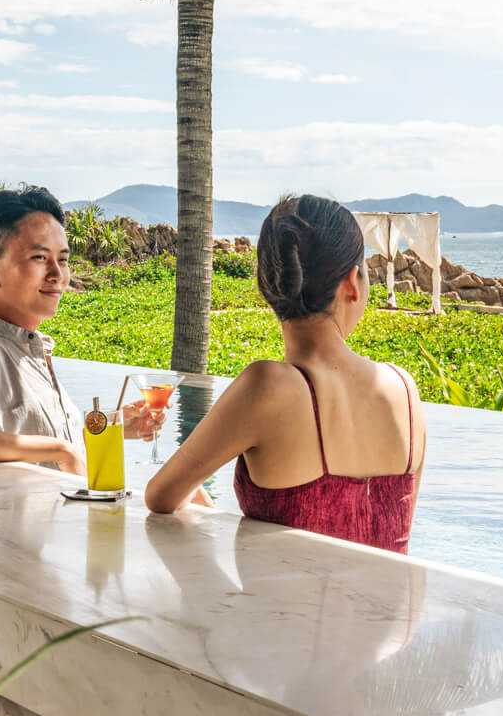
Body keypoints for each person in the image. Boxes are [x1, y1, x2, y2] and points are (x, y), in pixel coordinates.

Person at [144, 194, 424, 553]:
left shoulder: (266, 388)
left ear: (269, 284)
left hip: (277, 610)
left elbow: (160, 496)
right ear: (352, 282)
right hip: (391, 610)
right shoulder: (404, 389)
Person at [0, 185, 160, 472]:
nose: (58, 275)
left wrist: (112, 428)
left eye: (63, 260)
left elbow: (29, 444)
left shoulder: (28, 349)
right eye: (40, 258)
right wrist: (61, 450)